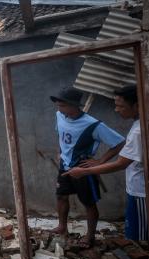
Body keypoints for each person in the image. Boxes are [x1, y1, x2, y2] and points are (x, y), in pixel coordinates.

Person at [64, 85, 147, 241]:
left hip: (141, 192)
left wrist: (85, 171)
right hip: (136, 188)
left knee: (140, 238)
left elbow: (121, 163)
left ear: (136, 105)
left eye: (120, 106)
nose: (116, 110)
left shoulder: (138, 131)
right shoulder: (138, 124)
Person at [50, 87, 125, 248]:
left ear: (74, 105)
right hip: (65, 165)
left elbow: (119, 142)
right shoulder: (59, 116)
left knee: (88, 202)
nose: (58, 108)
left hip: (83, 168)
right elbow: (61, 134)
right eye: (58, 105)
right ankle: (62, 226)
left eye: (62, 105)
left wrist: (100, 161)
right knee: (61, 196)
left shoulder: (93, 124)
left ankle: (90, 236)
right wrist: (60, 151)